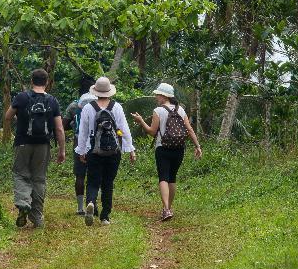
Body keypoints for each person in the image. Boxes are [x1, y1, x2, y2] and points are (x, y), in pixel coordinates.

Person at [3, 68, 65, 228]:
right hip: (43, 145)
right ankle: (37, 217)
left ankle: (23, 203)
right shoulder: (52, 101)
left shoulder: (21, 97)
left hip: (23, 142)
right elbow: (59, 129)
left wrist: (20, 119)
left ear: (31, 81)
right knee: (39, 178)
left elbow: (7, 117)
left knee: (20, 174)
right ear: (47, 82)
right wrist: (62, 150)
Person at [132, 82, 202, 221]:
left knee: (163, 177)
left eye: (158, 94)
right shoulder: (180, 110)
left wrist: (141, 121)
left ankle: (166, 209)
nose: (156, 97)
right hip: (179, 148)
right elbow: (189, 130)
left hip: (163, 148)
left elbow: (152, 132)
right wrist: (197, 146)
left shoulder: (158, 111)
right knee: (172, 178)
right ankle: (168, 208)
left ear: (164, 96)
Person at [75, 76, 136, 226]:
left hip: (93, 151)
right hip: (113, 152)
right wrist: (131, 149)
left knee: (93, 182)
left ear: (95, 92)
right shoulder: (117, 107)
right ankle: (105, 217)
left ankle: (90, 202)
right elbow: (124, 130)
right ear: (109, 92)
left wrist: (81, 151)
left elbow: (82, 132)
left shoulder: (88, 108)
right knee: (108, 183)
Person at [63, 93, 96, 215]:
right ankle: (92, 203)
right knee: (94, 175)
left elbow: (63, 125)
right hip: (96, 144)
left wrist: (73, 125)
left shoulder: (73, 106)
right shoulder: (99, 104)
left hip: (78, 143)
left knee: (80, 176)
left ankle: (80, 208)